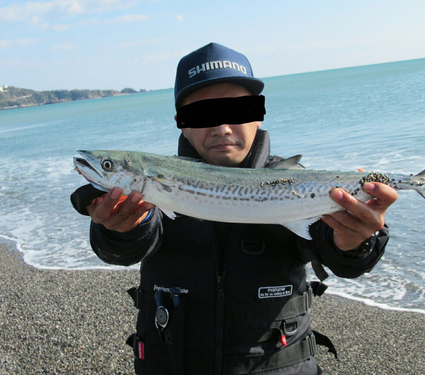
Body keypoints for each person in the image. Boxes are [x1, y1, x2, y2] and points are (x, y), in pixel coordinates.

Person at [71, 42, 398, 374]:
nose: (222, 128)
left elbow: (338, 254)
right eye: (202, 115)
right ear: (181, 122)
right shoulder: (161, 191)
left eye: (237, 111)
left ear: (258, 114)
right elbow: (126, 247)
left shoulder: (296, 184)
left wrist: (358, 240)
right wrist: (116, 229)